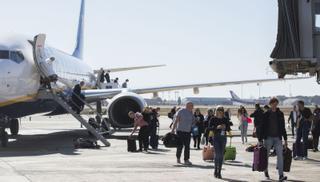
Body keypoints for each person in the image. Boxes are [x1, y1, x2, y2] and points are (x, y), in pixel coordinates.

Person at [259, 98, 288, 181]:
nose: (275, 105)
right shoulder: (266, 114)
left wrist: (285, 139)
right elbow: (262, 127)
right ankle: (266, 171)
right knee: (266, 156)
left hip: (278, 138)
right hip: (268, 138)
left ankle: (281, 175)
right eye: (273, 104)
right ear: (270, 104)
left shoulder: (280, 114)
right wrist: (260, 139)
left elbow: (283, 127)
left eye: (276, 104)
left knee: (280, 156)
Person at [207, 106, 231, 179]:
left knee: (221, 155)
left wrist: (225, 127)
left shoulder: (225, 119)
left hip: (223, 138)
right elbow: (209, 128)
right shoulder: (213, 119)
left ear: (223, 112)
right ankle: (215, 170)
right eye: (218, 110)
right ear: (216, 111)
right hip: (216, 137)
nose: (220, 112)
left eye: (221, 110)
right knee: (217, 154)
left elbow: (228, 128)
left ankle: (219, 171)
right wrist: (216, 127)